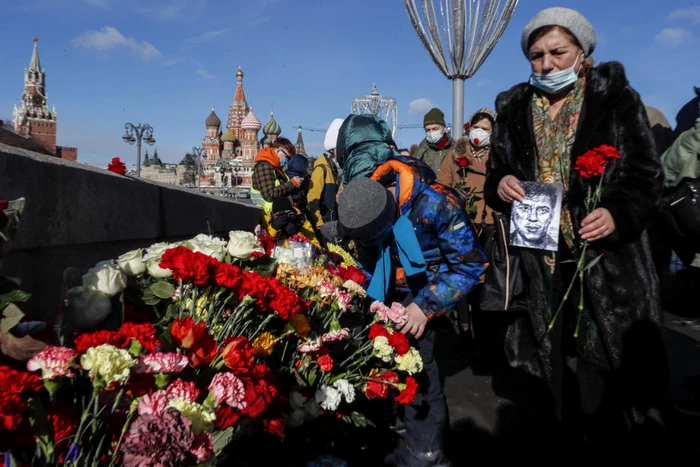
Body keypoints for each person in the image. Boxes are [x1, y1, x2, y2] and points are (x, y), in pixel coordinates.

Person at [483, 7, 664, 454]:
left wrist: (618, 213)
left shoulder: (616, 100)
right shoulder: (515, 108)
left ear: (583, 53)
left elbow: (646, 175)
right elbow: (497, 172)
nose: (546, 64)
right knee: (550, 366)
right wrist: (500, 183)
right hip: (542, 258)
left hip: (606, 258)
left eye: (558, 53)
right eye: (537, 55)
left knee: (604, 370)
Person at [331, 117, 485, 466]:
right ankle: (397, 429)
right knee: (382, 365)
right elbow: (369, 253)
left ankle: (427, 451)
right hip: (384, 293)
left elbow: (470, 265)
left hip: (423, 295)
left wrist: (425, 306)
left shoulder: (436, 203)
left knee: (420, 371)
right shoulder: (364, 193)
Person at [436, 108, 496, 224]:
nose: (479, 131)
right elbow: (440, 187)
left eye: (484, 129)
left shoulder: (500, 158)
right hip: (459, 220)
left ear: (493, 131)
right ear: (470, 128)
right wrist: (453, 194)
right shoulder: (453, 156)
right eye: (476, 127)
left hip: (489, 222)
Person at [250, 138, 304, 228]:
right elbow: (269, 194)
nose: (287, 161)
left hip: (279, 217)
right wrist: (292, 183)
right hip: (267, 218)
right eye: (287, 157)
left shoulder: (277, 169)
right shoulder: (264, 166)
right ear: (278, 150)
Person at [307, 118, 342, 232]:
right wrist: (319, 222)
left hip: (334, 223)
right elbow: (313, 198)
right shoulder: (322, 169)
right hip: (325, 224)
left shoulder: (334, 171)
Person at [510, 183, 559, 250]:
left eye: (543, 210)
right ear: (512, 213)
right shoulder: (501, 244)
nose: (533, 218)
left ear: (551, 216)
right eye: (524, 208)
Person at [413, 108, 454, 176]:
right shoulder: (421, 150)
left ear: (444, 128)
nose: (431, 132)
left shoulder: (455, 148)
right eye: (428, 130)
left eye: (435, 129)